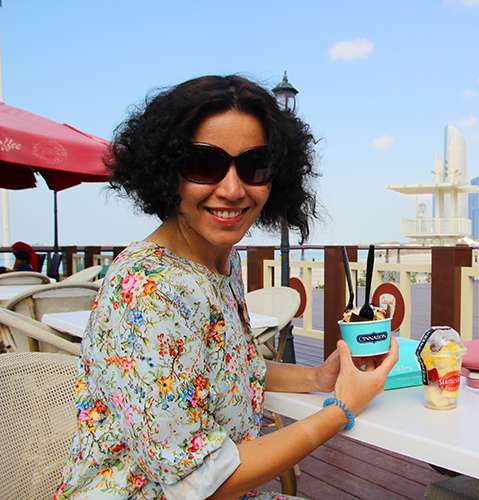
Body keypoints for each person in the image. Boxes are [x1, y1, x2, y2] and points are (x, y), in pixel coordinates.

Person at [55, 75, 398, 500]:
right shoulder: (150, 289)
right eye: (204, 165)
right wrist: (341, 410)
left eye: (254, 166)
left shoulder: (220, 261)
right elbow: (203, 481)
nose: (233, 190)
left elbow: (231, 371)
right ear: (167, 172)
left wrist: (317, 377)